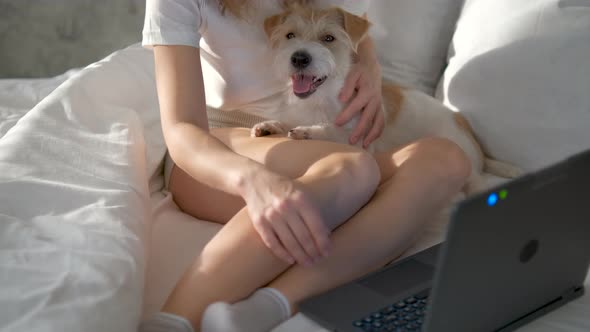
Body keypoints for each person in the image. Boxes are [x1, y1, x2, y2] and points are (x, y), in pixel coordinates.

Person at [139, 0, 471, 331]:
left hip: (307, 142)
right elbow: (184, 130)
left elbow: (355, 31)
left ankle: (264, 309)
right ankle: (172, 322)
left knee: (445, 160)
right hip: (216, 152)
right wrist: (252, 179)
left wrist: (370, 65)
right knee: (353, 168)